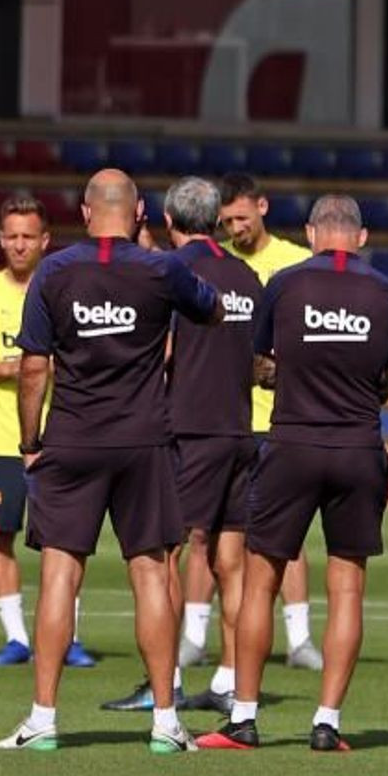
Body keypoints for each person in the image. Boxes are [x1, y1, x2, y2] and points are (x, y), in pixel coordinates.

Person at [0, 169, 220, 756]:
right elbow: (212, 310)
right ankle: (166, 719)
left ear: (85, 211)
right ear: (140, 211)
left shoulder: (55, 270)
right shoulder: (161, 269)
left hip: (71, 437)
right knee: (150, 572)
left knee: (60, 574)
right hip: (144, 440)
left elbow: (33, 368)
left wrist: (28, 441)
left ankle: (43, 717)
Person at [201, 196, 388, 754]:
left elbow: (258, 362)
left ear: (313, 233)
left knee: (260, 581)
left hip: (290, 443)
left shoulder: (285, 284)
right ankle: (327, 722)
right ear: (361, 238)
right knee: (347, 589)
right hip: (358, 446)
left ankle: (243, 718)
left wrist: (283, 382)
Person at [106, 178, 263, 714]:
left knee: (165, 556)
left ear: (169, 221)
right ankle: (230, 680)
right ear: (218, 219)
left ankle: (164, 681)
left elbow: (164, 348)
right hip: (242, 429)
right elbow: (261, 360)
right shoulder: (246, 274)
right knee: (231, 561)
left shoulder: (172, 275)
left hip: (190, 430)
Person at [0, 195, 92, 670]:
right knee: (0, 537)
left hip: (62, 437)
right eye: (11, 235)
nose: (18, 245)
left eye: (28, 236)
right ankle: (16, 637)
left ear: (45, 240)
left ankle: (67, 636)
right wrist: (7, 367)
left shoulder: (66, 289)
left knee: (66, 540)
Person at [215, 174, 322, 675]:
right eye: (228, 221)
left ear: (262, 207)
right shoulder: (219, 264)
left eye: (243, 217)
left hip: (281, 421)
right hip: (229, 419)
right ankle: (203, 638)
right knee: (217, 536)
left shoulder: (296, 263)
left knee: (289, 535)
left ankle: (299, 639)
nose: (236, 228)